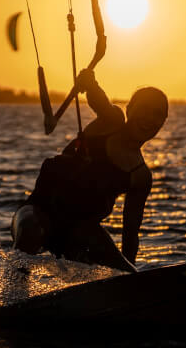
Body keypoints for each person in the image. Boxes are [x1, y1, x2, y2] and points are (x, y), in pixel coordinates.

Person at [11, 69, 168, 272]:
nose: (149, 119)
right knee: (32, 231)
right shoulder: (112, 120)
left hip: (79, 232)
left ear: (162, 123)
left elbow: (130, 236)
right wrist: (89, 82)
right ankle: (14, 294)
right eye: (144, 109)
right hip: (39, 211)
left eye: (157, 115)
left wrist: (130, 280)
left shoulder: (140, 176)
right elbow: (97, 98)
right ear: (129, 109)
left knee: (127, 271)